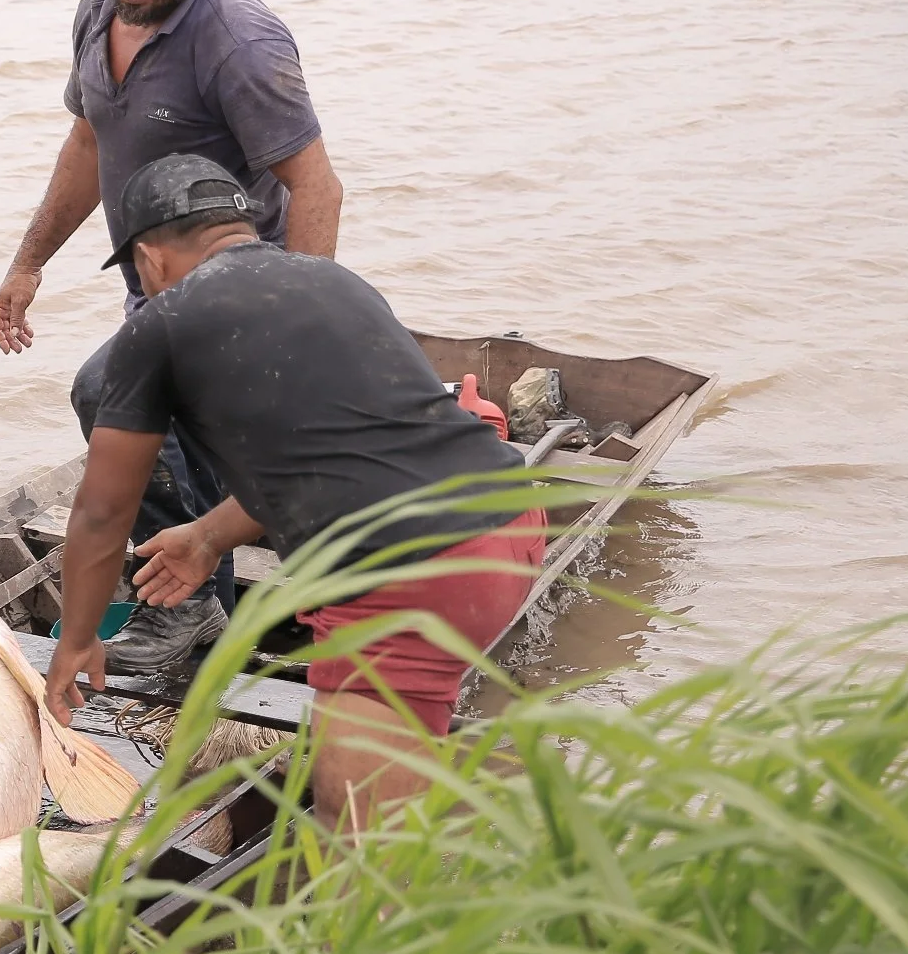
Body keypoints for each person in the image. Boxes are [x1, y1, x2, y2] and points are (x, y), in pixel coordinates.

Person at [42, 155, 545, 829]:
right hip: (511, 522)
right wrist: (205, 536)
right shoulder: (336, 283)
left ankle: (376, 924)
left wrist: (76, 642)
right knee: (387, 792)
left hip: (407, 573)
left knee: (360, 825)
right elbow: (343, 450)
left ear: (148, 258)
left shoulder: (159, 326)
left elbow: (102, 513)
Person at [0, 0, 345, 678]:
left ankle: (247, 611)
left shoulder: (241, 43)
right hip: (151, 293)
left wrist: (292, 331)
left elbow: (317, 188)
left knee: (158, 421)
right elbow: (89, 141)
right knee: (146, 432)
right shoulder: (98, 15)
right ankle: (195, 612)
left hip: (235, 298)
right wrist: (28, 261)